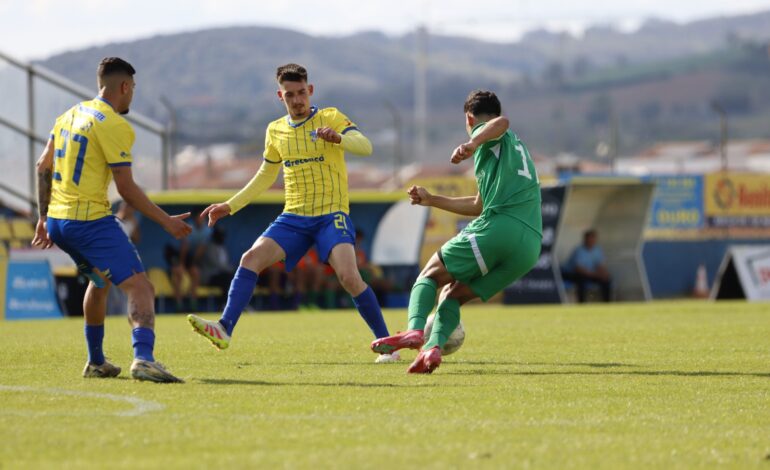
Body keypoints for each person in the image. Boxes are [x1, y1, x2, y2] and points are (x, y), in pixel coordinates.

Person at [187, 63, 397, 363]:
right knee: (250, 259)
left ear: (310, 90)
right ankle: (224, 328)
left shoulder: (330, 117)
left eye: (301, 93)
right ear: (280, 96)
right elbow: (264, 176)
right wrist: (229, 205)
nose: (297, 100)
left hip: (331, 213)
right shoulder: (275, 130)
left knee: (350, 277)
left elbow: (365, 147)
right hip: (295, 216)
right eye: (290, 95)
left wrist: (339, 139)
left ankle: (386, 344)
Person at [31, 57, 191, 383]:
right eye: (132, 90)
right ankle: (143, 359)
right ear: (125, 87)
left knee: (100, 282)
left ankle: (95, 362)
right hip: (90, 221)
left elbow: (42, 166)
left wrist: (43, 216)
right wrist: (166, 221)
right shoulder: (113, 124)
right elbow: (127, 190)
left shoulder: (68, 116)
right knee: (141, 286)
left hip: (60, 224)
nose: (131, 96)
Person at [371, 90, 542, 373]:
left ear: (469, 118)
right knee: (452, 294)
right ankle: (431, 349)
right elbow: (478, 204)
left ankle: (414, 331)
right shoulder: (512, 150)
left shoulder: (492, 135)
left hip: (501, 226)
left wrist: (472, 142)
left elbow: (502, 122)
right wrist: (432, 199)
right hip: (528, 247)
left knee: (429, 275)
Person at [165, 210, 211, 311]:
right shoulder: (189, 226)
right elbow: (184, 247)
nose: (202, 220)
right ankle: (179, 304)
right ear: (195, 218)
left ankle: (193, 302)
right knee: (178, 273)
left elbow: (201, 249)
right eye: (200, 217)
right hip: (174, 251)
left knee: (196, 273)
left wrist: (193, 263)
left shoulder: (207, 230)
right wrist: (181, 264)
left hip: (188, 254)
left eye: (204, 217)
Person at [561, 229, 611, 302]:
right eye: (589, 238)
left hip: (590, 274)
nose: (591, 241)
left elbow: (599, 265)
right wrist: (595, 275)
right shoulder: (579, 250)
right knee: (581, 280)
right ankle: (582, 304)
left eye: (593, 238)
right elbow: (578, 269)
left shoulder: (597, 249)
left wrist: (603, 274)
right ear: (585, 239)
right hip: (572, 274)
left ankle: (607, 303)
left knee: (606, 280)